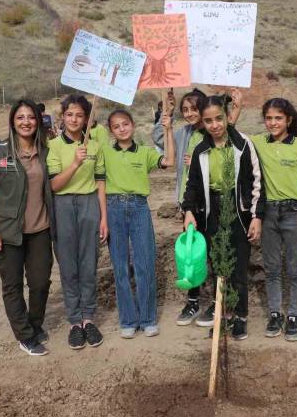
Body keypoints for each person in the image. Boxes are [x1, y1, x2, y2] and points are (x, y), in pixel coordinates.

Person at [182, 95, 264, 341]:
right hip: (212, 213)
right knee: (219, 266)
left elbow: (257, 182)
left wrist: (256, 216)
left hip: (238, 211)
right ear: (203, 122)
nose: (215, 125)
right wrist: (188, 210)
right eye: (208, 121)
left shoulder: (243, 145)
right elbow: (192, 185)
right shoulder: (200, 150)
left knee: (238, 267)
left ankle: (240, 317)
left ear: (228, 116)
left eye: (219, 118)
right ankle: (223, 315)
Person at [0, 99, 55, 357]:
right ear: (13, 122)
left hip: (40, 230)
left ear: (38, 121)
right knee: (12, 285)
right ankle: (25, 336)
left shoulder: (46, 153)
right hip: (7, 232)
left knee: (40, 283)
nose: (26, 122)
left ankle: (34, 325)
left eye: (31, 117)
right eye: (20, 117)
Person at [246, 98, 297, 341]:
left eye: (278, 118)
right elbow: (232, 136)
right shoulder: (258, 143)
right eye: (268, 118)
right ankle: (275, 314)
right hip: (269, 214)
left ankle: (294, 315)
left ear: (288, 120)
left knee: (296, 269)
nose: (273, 122)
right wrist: (234, 106)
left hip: (294, 212)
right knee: (273, 268)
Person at [103, 109, 174, 339]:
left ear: (132, 125)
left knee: (145, 263)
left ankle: (148, 319)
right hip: (114, 208)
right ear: (111, 130)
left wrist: (168, 129)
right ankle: (128, 320)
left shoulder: (144, 152)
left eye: (125, 124)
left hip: (139, 208)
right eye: (116, 126)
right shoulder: (105, 152)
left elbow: (169, 161)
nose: (122, 128)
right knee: (120, 266)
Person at [48, 95, 108, 350]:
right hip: (63, 206)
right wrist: (74, 163)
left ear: (87, 118)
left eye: (79, 115)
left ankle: (88, 318)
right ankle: (74, 321)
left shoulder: (95, 146)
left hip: (89, 205)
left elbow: (101, 183)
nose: (74, 119)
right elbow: (54, 184)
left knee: (89, 262)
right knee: (68, 264)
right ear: (63, 117)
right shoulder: (52, 146)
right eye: (70, 114)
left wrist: (104, 217)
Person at [151, 88, 212, 326]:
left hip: (211, 203)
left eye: (194, 109)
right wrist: (164, 115)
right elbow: (160, 140)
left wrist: (199, 158)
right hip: (188, 204)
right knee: (190, 255)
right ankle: (194, 301)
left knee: (214, 252)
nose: (189, 113)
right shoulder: (184, 133)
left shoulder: (213, 132)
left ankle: (219, 302)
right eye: (185, 109)